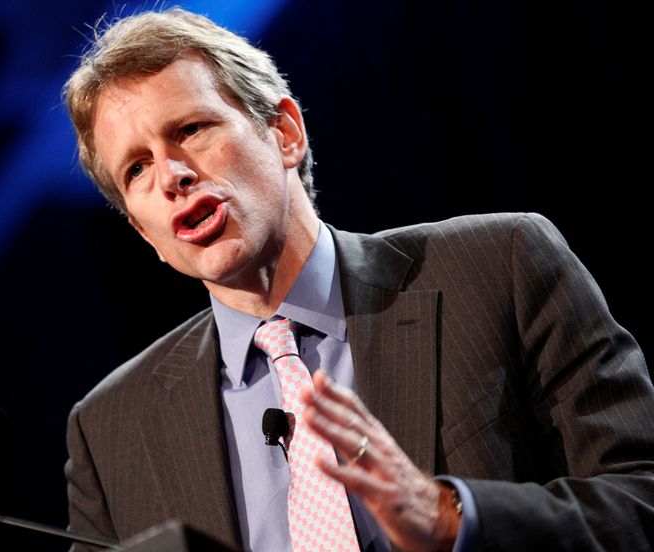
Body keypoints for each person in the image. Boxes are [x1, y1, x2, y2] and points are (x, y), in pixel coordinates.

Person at [61, 7, 654, 552]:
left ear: (285, 133)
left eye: (190, 130)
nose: (171, 176)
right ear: (144, 233)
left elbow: (640, 497)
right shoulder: (111, 430)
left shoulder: (501, 267)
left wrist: (451, 516)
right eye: (136, 168)